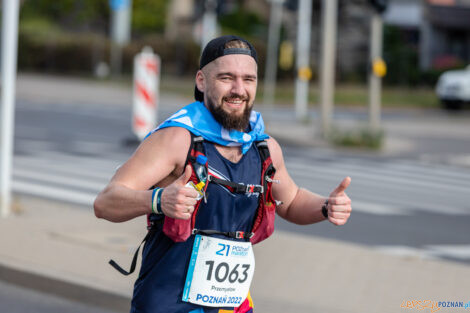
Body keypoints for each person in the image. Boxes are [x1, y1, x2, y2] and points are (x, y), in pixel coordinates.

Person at [94, 35, 352, 313]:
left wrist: (326, 207)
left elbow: (291, 201)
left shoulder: (264, 147)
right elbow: (105, 202)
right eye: (227, 78)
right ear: (202, 81)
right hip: (169, 304)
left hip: (231, 304)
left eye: (248, 79)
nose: (238, 89)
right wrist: (157, 200)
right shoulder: (177, 139)